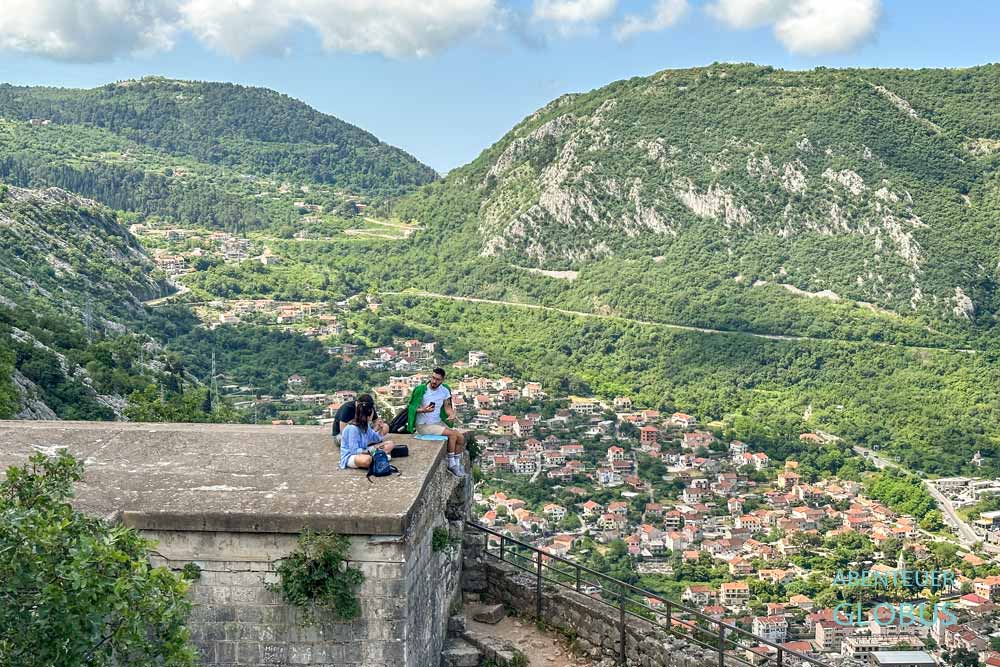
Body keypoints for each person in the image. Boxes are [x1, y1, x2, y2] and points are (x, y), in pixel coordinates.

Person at [406, 367, 465, 477]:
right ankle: (451, 464)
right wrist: (423, 410)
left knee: (460, 438)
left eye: (437, 379)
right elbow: (411, 408)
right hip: (423, 424)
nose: (434, 381)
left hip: (437, 422)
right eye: (433, 378)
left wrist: (451, 414)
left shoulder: (444, 390)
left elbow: (447, 407)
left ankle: (457, 463)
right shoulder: (421, 390)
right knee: (452, 435)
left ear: (442, 380)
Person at [339, 400, 394, 470]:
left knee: (390, 444)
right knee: (367, 460)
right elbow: (353, 451)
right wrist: (369, 452)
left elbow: (376, 438)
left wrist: (380, 429)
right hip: (351, 456)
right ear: (368, 416)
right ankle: (379, 458)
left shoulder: (366, 425)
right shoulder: (353, 428)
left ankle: (378, 458)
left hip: (365, 450)